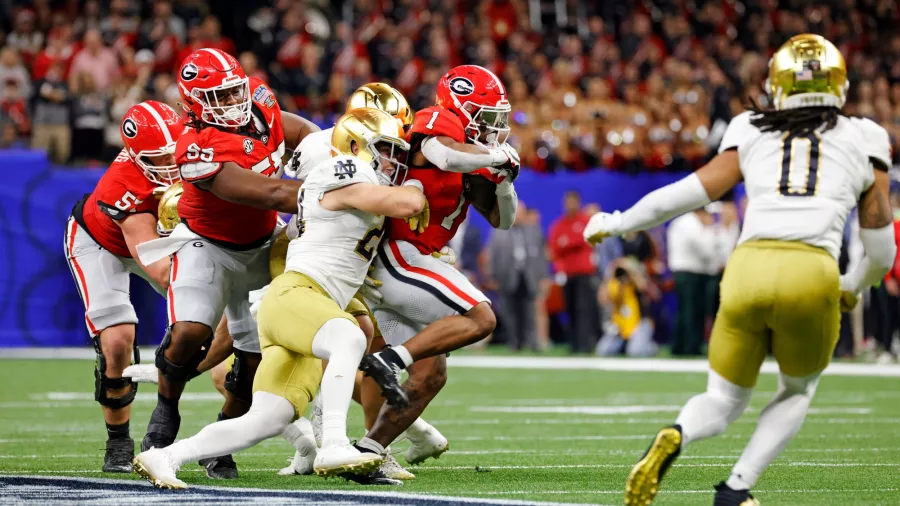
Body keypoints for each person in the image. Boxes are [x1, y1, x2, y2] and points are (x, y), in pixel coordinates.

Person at [584, 35, 896, 505]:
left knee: (724, 398)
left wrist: (618, 222)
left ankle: (678, 432)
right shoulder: (864, 136)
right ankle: (736, 488)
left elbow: (690, 191)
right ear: (840, 84)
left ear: (777, 83)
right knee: (796, 390)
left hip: (747, 266)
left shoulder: (751, 127)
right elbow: (880, 249)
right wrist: (852, 285)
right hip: (812, 270)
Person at [132, 107, 427, 489]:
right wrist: (421, 186)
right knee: (350, 336)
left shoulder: (363, 183)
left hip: (304, 309)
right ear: (353, 146)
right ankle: (334, 443)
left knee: (267, 419)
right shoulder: (341, 172)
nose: (393, 159)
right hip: (299, 295)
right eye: (385, 148)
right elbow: (408, 204)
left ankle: (164, 456)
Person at [135, 48, 318, 479]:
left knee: (253, 359)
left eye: (233, 90)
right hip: (208, 246)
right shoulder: (194, 144)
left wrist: (325, 158)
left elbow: (305, 133)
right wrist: (335, 193)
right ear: (192, 105)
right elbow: (268, 192)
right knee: (189, 335)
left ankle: (220, 440)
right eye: (217, 97)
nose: (232, 101)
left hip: (262, 246)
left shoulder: (260, 101)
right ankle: (166, 411)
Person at [278, 82, 447, 483]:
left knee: (368, 352)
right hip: (321, 267)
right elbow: (302, 202)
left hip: (358, 267)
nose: (396, 153)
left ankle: (381, 441)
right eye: (387, 143)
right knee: (343, 350)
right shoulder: (333, 158)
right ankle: (326, 441)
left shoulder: (380, 163)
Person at [355, 65, 520, 465]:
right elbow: (442, 155)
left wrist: (503, 180)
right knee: (481, 318)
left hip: (419, 260)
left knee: (432, 374)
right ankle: (387, 362)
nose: (496, 128)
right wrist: (495, 155)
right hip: (397, 255)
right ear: (460, 108)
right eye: (486, 117)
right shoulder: (436, 121)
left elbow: (504, 220)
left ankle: (371, 450)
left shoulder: (476, 155)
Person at [64, 100, 182, 473]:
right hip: (103, 242)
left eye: (172, 155)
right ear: (133, 155)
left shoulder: (197, 147)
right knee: (117, 341)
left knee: (228, 321)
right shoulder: (124, 184)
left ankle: (226, 432)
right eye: (156, 159)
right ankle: (119, 442)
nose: (168, 166)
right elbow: (160, 268)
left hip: (163, 235)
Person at [487, 202, 549, 351]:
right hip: (508, 277)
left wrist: (543, 277)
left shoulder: (534, 230)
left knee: (530, 312)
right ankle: (514, 343)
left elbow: (541, 256)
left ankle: (533, 343)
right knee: (510, 312)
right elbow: (493, 255)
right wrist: (493, 276)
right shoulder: (499, 231)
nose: (517, 215)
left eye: (519, 212)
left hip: (528, 277)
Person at [549, 190, 600, 353]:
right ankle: (574, 344)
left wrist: (568, 243)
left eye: (573, 202)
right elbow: (555, 248)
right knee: (570, 309)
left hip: (584, 273)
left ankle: (585, 344)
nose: (570, 205)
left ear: (578, 203)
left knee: (584, 309)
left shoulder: (585, 221)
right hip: (567, 274)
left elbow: (587, 241)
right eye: (567, 202)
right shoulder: (559, 225)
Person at [666, 208, 720, 355]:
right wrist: (710, 230)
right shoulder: (690, 224)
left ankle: (682, 346)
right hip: (690, 273)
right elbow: (706, 250)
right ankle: (689, 347)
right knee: (691, 311)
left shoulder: (683, 222)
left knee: (687, 310)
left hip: (687, 272)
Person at [596, 259, 657, 357]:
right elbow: (602, 299)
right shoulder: (614, 285)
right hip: (620, 326)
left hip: (638, 324)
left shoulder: (636, 283)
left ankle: (650, 347)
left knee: (635, 351)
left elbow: (651, 293)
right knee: (603, 350)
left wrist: (633, 272)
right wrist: (610, 274)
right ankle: (624, 346)